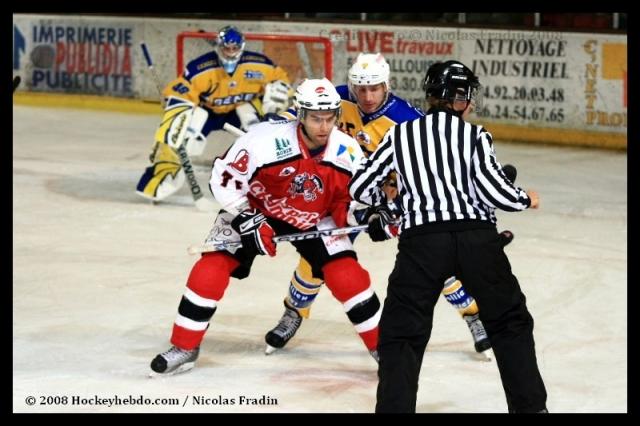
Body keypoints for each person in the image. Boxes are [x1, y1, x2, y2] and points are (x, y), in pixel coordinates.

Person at [264, 52, 509, 359]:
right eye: (361, 89)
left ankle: (474, 316)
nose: (367, 96)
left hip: (394, 201)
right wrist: (269, 126)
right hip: (342, 198)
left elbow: (431, 162)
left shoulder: (407, 117)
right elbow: (294, 118)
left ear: (387, 85)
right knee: (317, 260)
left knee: (437, 259)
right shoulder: (336, 100)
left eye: (375, 88)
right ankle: (294, 313)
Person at [349, 60, 547, 413]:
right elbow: (494, 194)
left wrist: (390, 201)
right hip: (477, 241)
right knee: (509, 323)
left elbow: (361, 188)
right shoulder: (475, 135)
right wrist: (524, 198)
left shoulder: (400, 134)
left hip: (421, 244)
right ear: (460, 98)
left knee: (402, 334)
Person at [150, 78, 382, 375]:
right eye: (315, 118)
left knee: (348, 276)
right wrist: (247, 218)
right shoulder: (263, 140)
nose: (323, 127)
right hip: (255, 207)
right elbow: (223, 180)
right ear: (300, 114)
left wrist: (367, 218)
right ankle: (185, 346)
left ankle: (383, 348)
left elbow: (346, 204)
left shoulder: (348, 152)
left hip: (312, 216)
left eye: (329, 118)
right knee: (209, 270)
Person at [136, 25, 292, 205]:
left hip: (240, 110)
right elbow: (182, 91)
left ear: (241, 47)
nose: (230, 52)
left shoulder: (259, 65)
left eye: (234, 48)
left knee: (261, 136)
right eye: (227, 48)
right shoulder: (201, 68)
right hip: (207, 112)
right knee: (179, 137)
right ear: (219, 46)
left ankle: (269, 185)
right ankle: (158, 184)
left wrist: (279, 93)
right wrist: (177, 106)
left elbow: (280, 80)